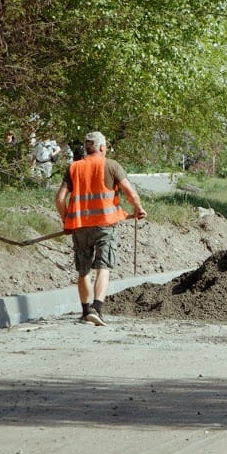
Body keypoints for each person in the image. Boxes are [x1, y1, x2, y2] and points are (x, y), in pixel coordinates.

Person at [55, 131, 146, 326]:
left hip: (80, 226)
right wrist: (138, 208)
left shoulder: (74, 167)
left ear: (87, 148)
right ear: (102, 147)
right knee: (103, 268)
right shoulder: (111, 165)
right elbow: (130, 192)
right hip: (106, 225)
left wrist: (66, 221)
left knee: (83, 271)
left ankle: (86, 311)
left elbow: (60, 199)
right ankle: (97, 308)